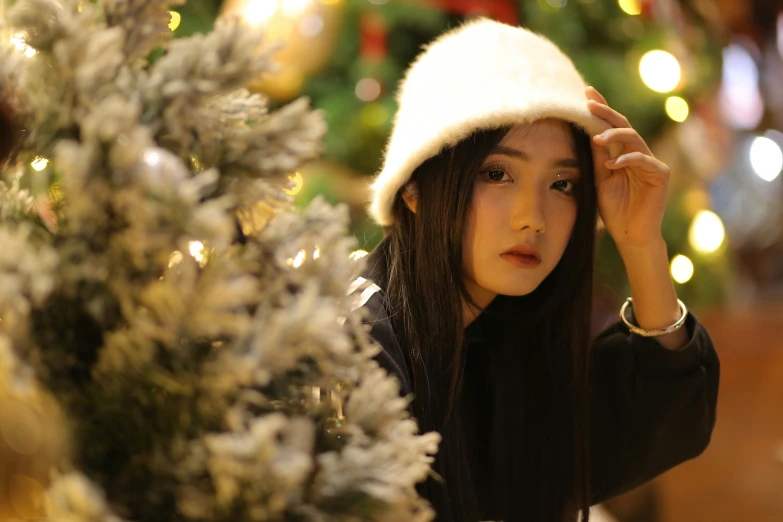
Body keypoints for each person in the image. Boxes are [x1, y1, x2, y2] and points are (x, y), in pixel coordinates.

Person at [353, 18, 720, 522]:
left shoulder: (507, 345)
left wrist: (642, 246)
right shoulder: (355, 351)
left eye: (563, 184)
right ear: (414, 187)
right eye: (497, 174)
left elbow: (663, 420)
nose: (533, 218)